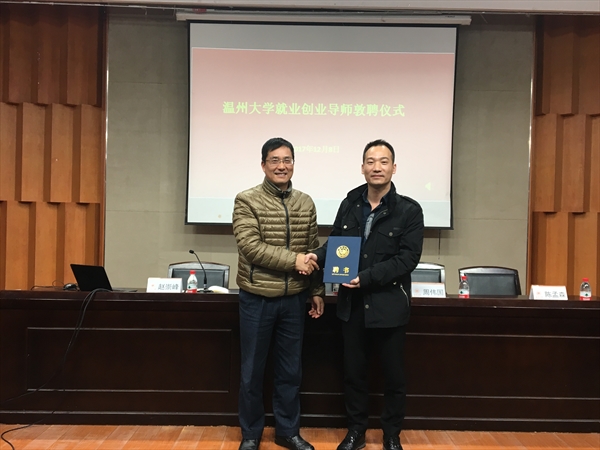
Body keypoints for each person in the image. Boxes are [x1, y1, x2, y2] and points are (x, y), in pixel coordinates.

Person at [306, 139, 424, 450]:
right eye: (370, 162)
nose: (376, 167)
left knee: (393, 377)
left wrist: (367, 278)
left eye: (383, 162)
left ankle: (391, 435)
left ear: (394, 168)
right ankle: (356, 432)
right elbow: (336, 244)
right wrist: (317, 256)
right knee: (354, 375)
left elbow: (408, 259)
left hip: (389, 306)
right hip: (352, 306)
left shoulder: (409, 210)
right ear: (362, 168)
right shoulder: (350, 203)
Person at [232, 137, 325, 450]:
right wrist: (293, 261)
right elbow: (250, 247)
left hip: (294, 299)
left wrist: (316, 290)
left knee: (290, 372)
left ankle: (288, 431)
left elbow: (312, 249)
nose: (281, 166)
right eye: (274, 160)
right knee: (251, 372)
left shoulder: (305, 202)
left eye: (287, 160)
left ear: (293, 164)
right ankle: (251, 434)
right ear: (263, 165)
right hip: (257, 299)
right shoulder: (246, 200)